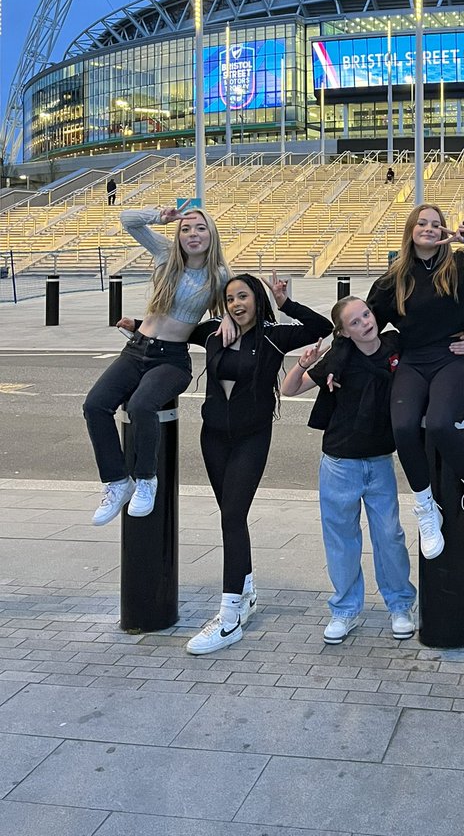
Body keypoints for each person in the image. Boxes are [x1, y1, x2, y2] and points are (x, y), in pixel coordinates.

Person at [120, 272, 331, 654]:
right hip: (213, 438)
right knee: (230, 517)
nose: (237, 304)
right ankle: (246, 591)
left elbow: (322, 326)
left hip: (252, 439)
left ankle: (229, 614)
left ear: (256, 300)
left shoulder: (273, 336)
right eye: (231, 298)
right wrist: (136, 325)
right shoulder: (213, 332)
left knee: (232, 517)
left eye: (244, 296)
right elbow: (174, 333)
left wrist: (285, 304)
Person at [366, 204, 464, 559]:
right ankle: (424, 506)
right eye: (422, 223)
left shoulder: (461, 266)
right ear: (410, 230)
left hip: (450, 356)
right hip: (412, 360)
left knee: (439, 423)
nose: (429, 229)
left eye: (437, 224)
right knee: (403, 427)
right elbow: (365, 324)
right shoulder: (394, 278)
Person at [281, 295, 417, 644]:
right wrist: (303, 364)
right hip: (339, 462)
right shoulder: (337, 358)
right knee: (342, 539)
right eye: (354, 322)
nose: (365, 323)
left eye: (367, 315)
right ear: (343, 331)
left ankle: (400, 605)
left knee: (390, 536)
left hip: (379, 460)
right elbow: (290, 389)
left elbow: (429, 346)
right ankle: (344, 610)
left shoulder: (395, 345)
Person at [84, 204, 230, 525]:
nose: (193, 234)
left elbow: (235, 310)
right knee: (95, 406)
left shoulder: (218, 275)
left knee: (141, 405)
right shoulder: (167, 255)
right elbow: (127, 220)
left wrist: (229, 325)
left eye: (201, 228)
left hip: (172, 359)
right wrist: (160, 217)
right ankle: (117, 482)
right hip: (136, 350)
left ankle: (146, 479)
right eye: (186, 229)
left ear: (212, 235)